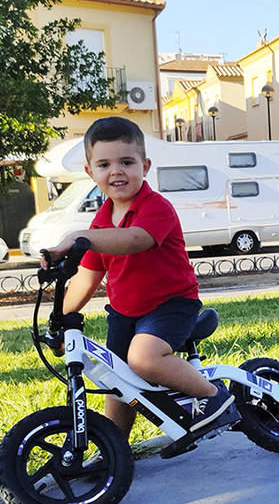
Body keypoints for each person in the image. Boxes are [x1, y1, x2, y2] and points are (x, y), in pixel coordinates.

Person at [42, 117, 237, 442]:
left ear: (145, 166)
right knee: (114, 378)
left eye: (126, 162)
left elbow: (135, 240)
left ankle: (213, 397)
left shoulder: (155, 207)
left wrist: (79, 238)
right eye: (104, 164)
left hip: (171, 305)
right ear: (90, 172)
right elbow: (87, 278)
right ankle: (114, 447)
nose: (116, 171)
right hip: (124, 314)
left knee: (142, 359)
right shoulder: (101, 221)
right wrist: (58, 320)